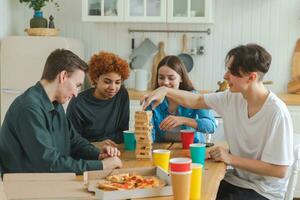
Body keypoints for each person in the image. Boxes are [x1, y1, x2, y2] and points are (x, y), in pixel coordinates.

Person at [142, 44, 293, 200]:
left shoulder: (276, 113)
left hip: (263, 192)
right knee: (186, 190)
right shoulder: (232, 97)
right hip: (236, 180)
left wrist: (230, 158)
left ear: (251, 77)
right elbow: (197, 100)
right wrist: (165, 90)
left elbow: (280, 170)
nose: (225, 76)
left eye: (232, 72)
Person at [0, 49, 122, 174]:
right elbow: (49, 164)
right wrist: (101, 166)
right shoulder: (29, 109)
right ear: (63, 76)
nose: (76, 93)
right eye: (77, 85)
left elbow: (74, 141)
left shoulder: (55, 103)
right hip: (24, 188)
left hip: (46, 182)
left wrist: (98, 154)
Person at [66, 52, 130, 147]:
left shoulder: (122, 94)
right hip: (88, 153)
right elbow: (71, 143)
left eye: (117, 82)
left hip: (116, 150)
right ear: (96, 78)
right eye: (107, 81)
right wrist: (96, 145)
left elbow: (123, 132)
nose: (113, 87)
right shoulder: (78, 103)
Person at [148, 55, 216, 142]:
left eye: (171, 78)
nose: (165, 82)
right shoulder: (153, 100)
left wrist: (184, 120)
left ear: (181, 78)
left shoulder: (193, 97)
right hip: (163, 152)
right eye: (161, 77)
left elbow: (211, 126)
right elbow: (149, 134)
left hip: (191, 150)